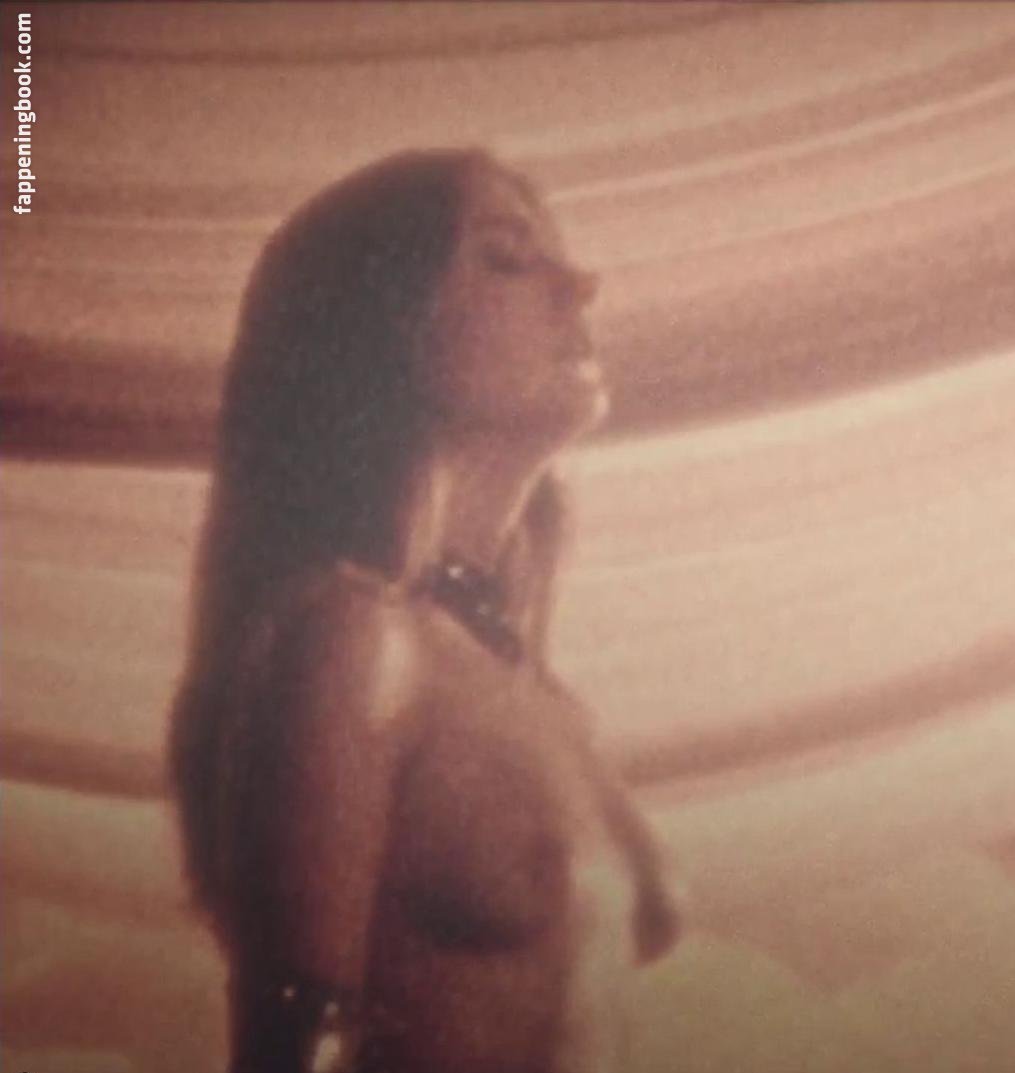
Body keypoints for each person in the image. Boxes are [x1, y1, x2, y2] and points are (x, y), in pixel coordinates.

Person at [167, 149, 679, 1073]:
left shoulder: (535, 690)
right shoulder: (353, 644)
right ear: (385, 325)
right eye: (507, 258)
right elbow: (290, 1050)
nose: (580, 285)